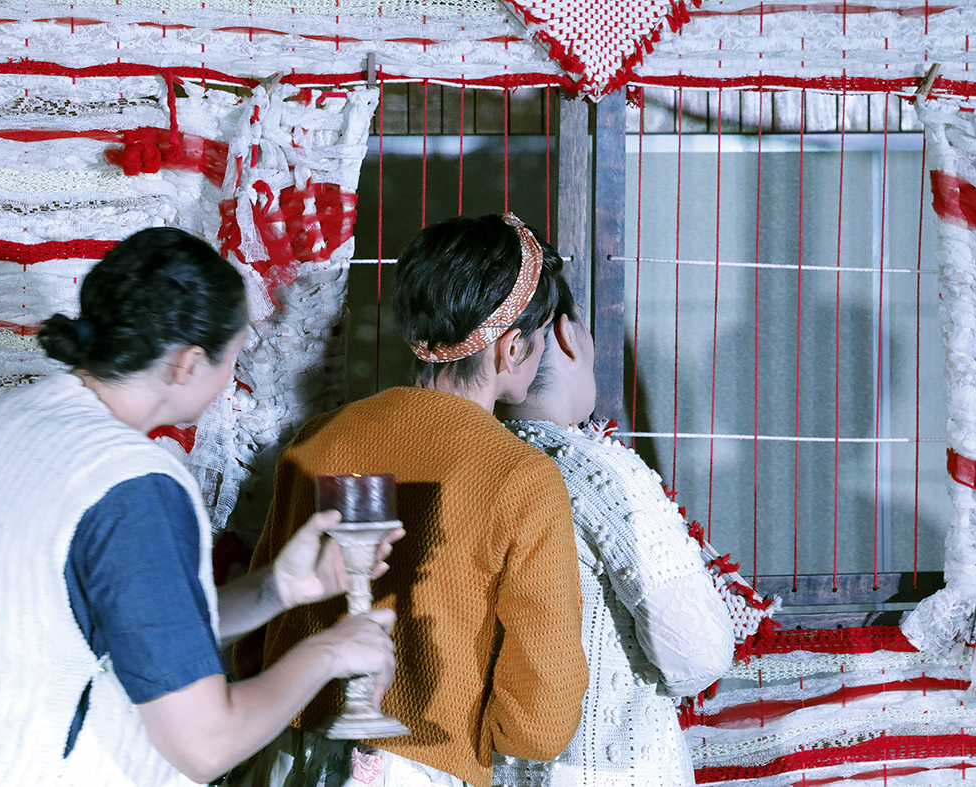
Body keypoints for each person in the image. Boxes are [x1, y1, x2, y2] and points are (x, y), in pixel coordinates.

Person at [0, 227, 398, 787]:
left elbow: (133, 632)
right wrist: (329, 652)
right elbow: (206, 744)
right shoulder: (130, 482)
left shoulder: (9, 421)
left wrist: (276, 589)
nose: (229, 381)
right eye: (232, 359)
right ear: (185, 364)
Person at [230, 213, 587, 787]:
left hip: (282, 747)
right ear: (511, 347)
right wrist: (499, 737)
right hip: (422, 761)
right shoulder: (522, 478)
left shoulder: (320, 438)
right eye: (541, 334)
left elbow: (260, 622)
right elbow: (542, 714)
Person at [491, 282, 734, 787]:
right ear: (567, 336)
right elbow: (698, 654)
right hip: (609, 768)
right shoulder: (603, 473)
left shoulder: (470, 459)